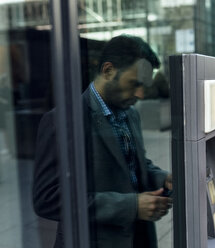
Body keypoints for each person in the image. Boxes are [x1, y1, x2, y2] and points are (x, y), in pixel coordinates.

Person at [33, 35, 172, 248]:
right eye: (135, 84)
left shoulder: (131, 114)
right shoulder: (62, 121)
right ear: (108, 71)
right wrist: (131, 207)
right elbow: (48, 198)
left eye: (144, 86)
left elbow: (135, 166)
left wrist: (162, 179)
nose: (141, 94)